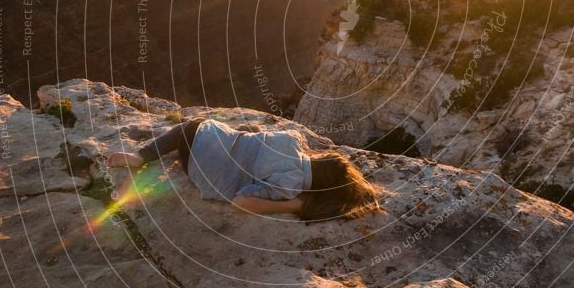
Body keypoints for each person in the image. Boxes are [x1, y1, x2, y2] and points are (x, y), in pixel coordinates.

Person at [107, 118, 380, 221]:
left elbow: (241, 203)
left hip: (198, 138)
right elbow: (241, 201)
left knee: (192, 125)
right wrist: (295, 206)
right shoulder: (289, 188)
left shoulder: (293, 139)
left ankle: (140, 156)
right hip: (199, 174)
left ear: (322, 158)